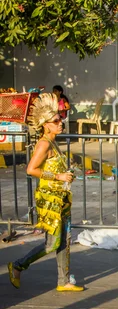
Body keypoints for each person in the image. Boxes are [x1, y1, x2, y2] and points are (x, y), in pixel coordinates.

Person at [8, 93, 83, 292]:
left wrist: (66, 175)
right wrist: (58, 177)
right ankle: (18, 265)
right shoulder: (43, 144)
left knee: (65, 240)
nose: (61, 123)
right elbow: (31, 169)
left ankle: (63, 281)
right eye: (56, 121)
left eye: (61, 119)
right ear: (45, 124)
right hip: (49, 201)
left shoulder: (52, 142)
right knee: (52, 243)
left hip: (61, 198)